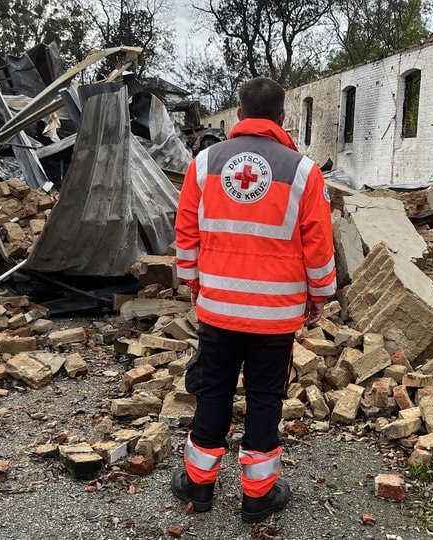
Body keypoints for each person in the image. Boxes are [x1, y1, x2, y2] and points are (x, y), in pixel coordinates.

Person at [171, 77, 336, 523]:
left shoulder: (203, 165)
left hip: (219, 310)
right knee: (265, 399)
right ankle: (257, 497)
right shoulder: (303, 171)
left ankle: (199, 486)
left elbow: (186, 234)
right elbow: (318, 246)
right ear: (282, 117)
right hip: (275, 316)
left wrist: (194, 283)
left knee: (213, 393)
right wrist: (319, 296)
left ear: (239, 114)